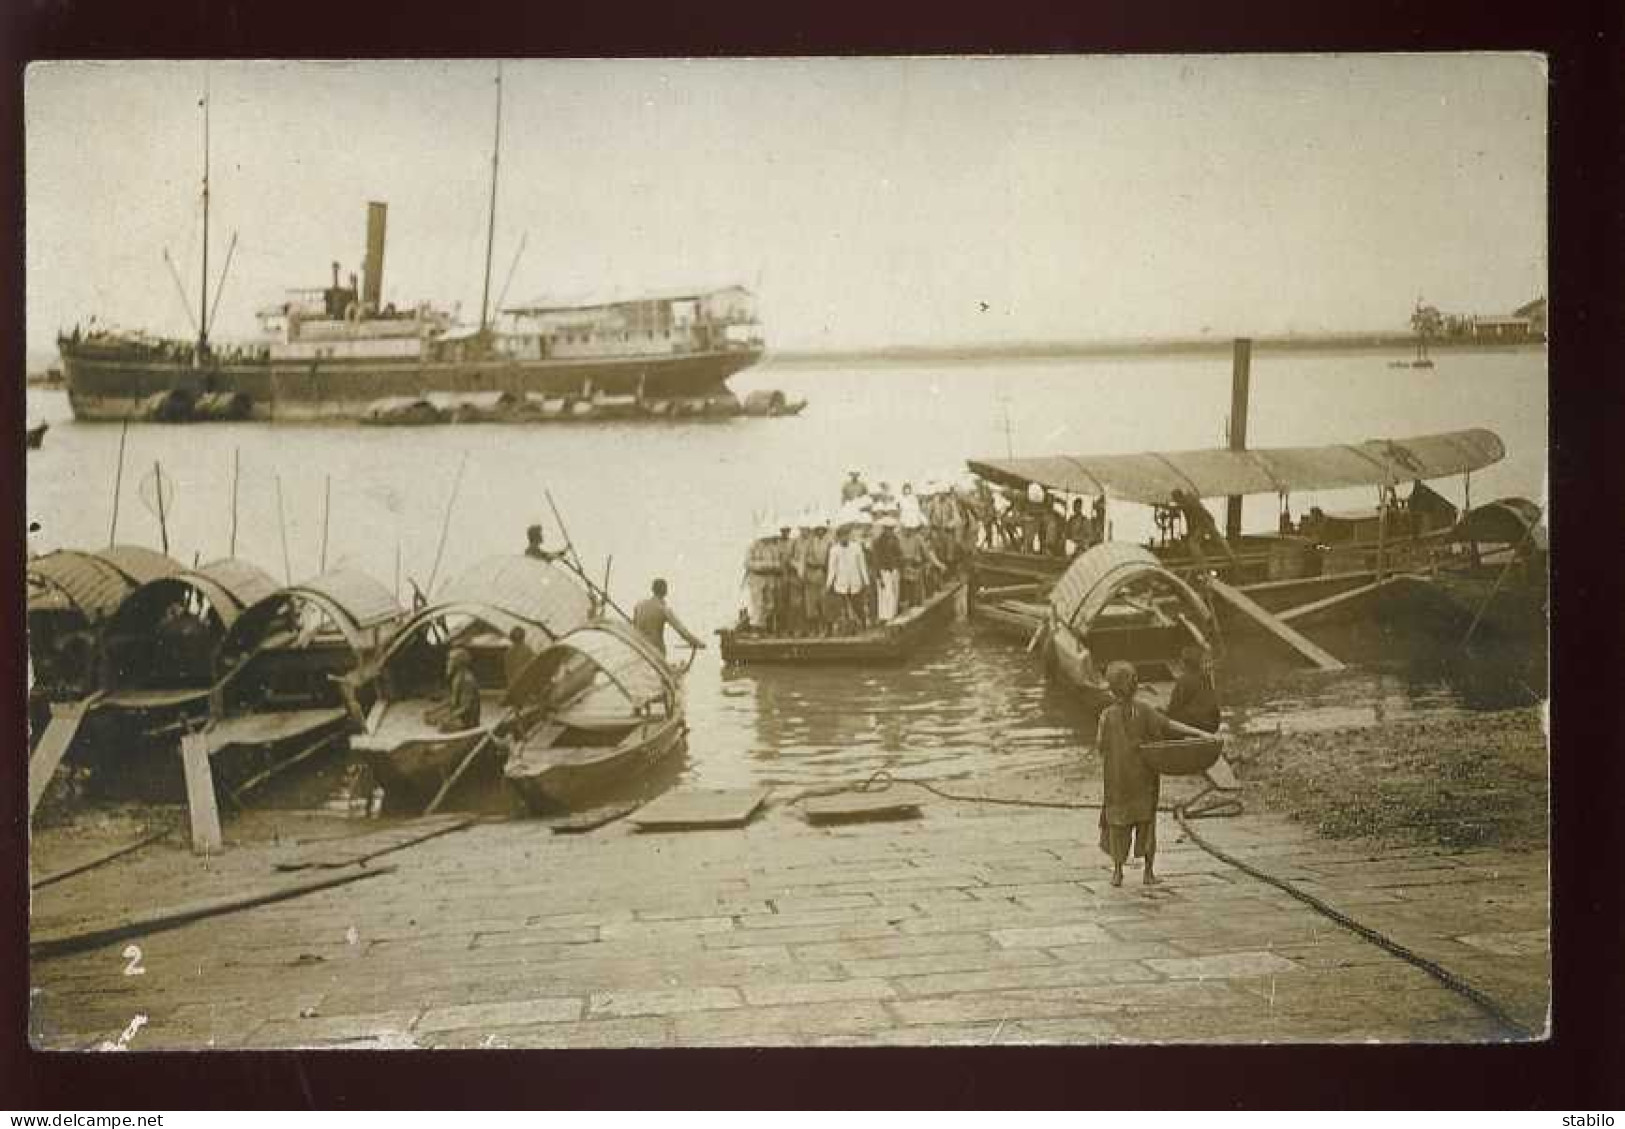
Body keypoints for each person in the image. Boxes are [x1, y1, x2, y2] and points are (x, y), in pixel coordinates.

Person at [1095, 660, 1211, 887]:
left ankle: (1117, 872)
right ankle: (1148, 873)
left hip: (1117, 780)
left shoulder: (1106, 716)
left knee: (1118, 824)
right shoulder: (1145, 710)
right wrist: (1201, 733)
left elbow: (1100, 746)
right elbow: (1170, 725)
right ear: (1134, 685)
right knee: (1146, 823)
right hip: (1143, 780)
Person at [633, 578, 705, 658]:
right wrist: (696, 642)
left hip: (639, 650)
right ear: (665, 591)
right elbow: (681, 630)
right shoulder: (663, 609)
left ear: (652, 589)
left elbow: (634, 626)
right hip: (656, 653)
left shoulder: (639, 605)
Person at [1169, 488, 1239, 570]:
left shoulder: (1186, 503)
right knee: (1219, 539)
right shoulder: (1189, 498)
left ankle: (1203, 565)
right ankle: (1233, 558)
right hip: (1207, 521)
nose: (1175, 501)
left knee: (1192, 543)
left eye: (1175, 499)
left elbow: (1181, 509)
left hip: (1203, 524)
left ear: (1178, 497)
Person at [826, 523, 870, 635]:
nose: (844, 538)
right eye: (842, 536)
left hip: (855, 582)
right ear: (838, 537)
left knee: (858, 606)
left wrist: (866, 581)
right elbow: (832, 568)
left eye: (846, 535)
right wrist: (829, 584)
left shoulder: (856, 547)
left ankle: (863, 624)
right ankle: (846, 628)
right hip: (841, 583)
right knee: (842, 608)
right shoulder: (834, 550)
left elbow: (862, 565)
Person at [1167, 645, 1221, 733]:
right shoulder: (1206, 679)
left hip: (1192, 726)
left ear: (1185, 663)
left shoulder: (1183, 680)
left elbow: (1172, 710)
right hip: (1212, 726)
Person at [424, 648, 481, 733]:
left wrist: (448, 717)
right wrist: (434, 710)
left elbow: (466, 707)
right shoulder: (457, 678)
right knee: (430, 719)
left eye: (450, 660)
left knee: (441, 727)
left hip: (468, 721)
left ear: (458, 663)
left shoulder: (466, 680)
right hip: (458, 715)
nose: (448, 663)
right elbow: (452, 701)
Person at [743, 520, 782, 632]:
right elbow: (748, 563)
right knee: (758, 604)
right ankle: (756, 628)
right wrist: (765, 566)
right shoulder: (753, 546)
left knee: (770, 604)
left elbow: (778, 563)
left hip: (769, 579)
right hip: (756, 579)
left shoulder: (774, 547)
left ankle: (765, 626)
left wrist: (771, 566)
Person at [799, 516, 832, 637]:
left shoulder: (829, 542)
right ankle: (814, 629)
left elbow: (831, 559)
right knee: (811, 604)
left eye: (822, 529)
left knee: (824, 602)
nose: (820, 531)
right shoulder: (809, 542)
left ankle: (826, 629)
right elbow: (802, 559)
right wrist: (802, 573)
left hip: (823, 573)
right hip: (810, 574)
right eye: (818, 529)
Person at [872, 513, 904, 621]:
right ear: (884, 529)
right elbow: (876, 559)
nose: (890, 531)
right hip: (883, 569)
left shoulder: (895, 540)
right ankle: (885, 616)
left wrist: (899, 566)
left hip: (894, 569)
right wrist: (878, 575)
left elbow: (899, 554)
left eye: (891, 529)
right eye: (888, 529)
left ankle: (893, 614)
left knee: (895, 592)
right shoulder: (878, 542)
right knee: (885, 593)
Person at [503, 626, 535, 694]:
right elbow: (508, 668)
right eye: (516, 636)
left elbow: (532, 664)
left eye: (519, 635)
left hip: (525, 678)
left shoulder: (528, 650)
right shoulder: (509, 652)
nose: (517, 638)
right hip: (515, 679)